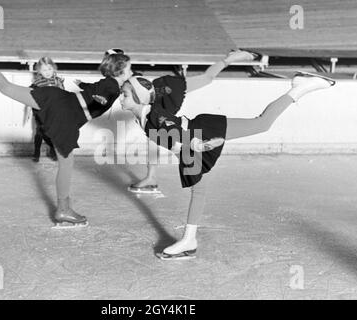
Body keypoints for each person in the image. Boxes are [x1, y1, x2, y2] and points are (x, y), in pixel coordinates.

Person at [120, 69, 335, 260]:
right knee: (199, 190)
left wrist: (200, 145)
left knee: (262, 123)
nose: (121, 98)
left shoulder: (153, 116)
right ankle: (189, 240)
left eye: (125, 94)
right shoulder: (143, 117)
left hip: (202, 131)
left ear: (139, 98)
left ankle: (301, 88)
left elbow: (179, 133)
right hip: (190, 147)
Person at [0, 44, 132, 228]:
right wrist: (102, 98)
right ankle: (63, 210)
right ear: (120, 71)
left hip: (55, 98)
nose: (131, 72)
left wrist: (88, 87)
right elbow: (105, 91)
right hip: (66, 115)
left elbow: (99, 88)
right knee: (67, 163)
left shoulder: (110, 82)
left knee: (7, 87)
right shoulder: (113, 86)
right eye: (130, 69)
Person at [127, 50, 257, 193]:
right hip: (164, 119)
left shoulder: (161, 92)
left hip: (169, 100)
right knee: (153, 137)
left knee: (206, 78)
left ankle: (232, 58)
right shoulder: (143, 109)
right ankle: (151, 177)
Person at [24, 56, 63, 162]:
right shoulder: (37, 83)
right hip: (40, 112)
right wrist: (28, 109)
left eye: (50, 69)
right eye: (44, 70)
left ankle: (52, 149)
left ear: (54, 68)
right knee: (39, 132)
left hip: (53, 112)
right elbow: (29, 96)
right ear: (39, 71)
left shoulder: (58, 81)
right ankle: (36, 152)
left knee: (52, 132)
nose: (47, 72)